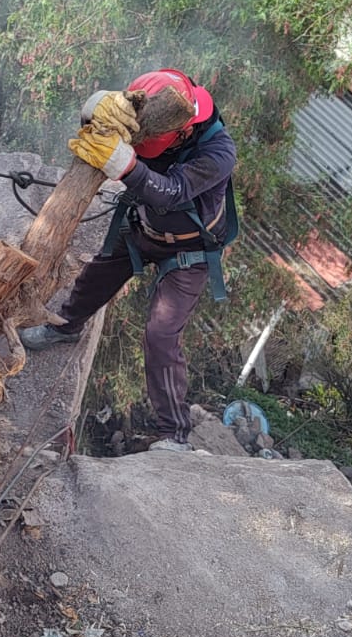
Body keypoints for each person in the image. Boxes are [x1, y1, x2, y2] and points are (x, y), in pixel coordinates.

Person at [21, 70, 237, 452]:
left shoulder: (218, 153)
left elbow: (170, 193)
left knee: (161, 335)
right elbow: (104, 122)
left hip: (189, 249)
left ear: (181, 131)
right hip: (143, 229)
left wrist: (123, 164)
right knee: (94, 278)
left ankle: (174, 432)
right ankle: (66, 326)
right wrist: (94, 107)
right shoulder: (147, 109)